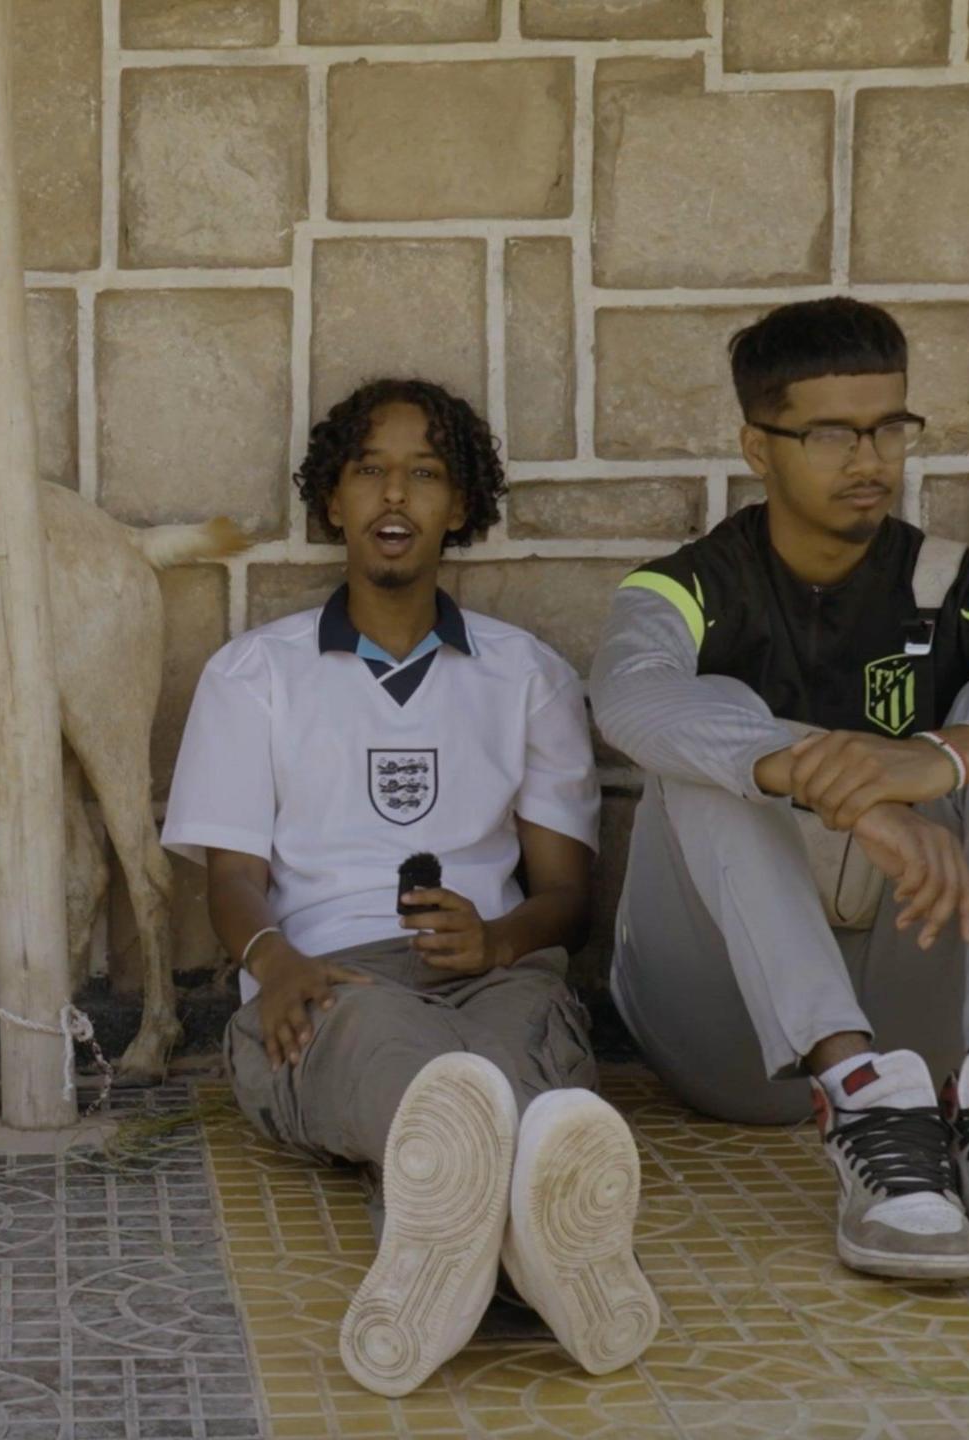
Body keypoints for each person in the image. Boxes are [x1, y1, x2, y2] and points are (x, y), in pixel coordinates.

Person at [591, 298, 969, 1288]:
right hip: (720, 1030)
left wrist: (942, 759)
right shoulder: (683, 589)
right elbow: (630, 702)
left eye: (887, 426)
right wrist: (853, 790)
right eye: (828, 432)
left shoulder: (964, 587)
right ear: (756, 447)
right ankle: (850, 1089)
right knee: (706, 728)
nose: (869, 458)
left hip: (925, 1027)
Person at [165, 377, 660, 1398]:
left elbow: (566, 892)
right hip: (333, 979)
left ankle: (449, 1256)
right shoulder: (255, 674)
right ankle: (536, 1260)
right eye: (370, 471)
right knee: (417, 1061)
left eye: (427, 474)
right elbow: (232, 879)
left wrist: (497, 940)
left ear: (462, 507)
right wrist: (279, 964)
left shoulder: (523, 676)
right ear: (331, 501)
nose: (396, 495)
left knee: (506, 1045)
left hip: (495, 972)